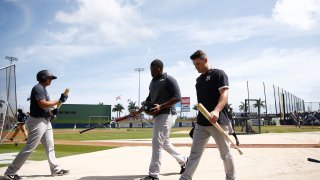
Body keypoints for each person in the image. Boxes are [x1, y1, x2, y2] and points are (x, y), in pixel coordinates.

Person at [180, 50, 235, 180]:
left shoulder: (219, 74)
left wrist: (216, 110)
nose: (196, 67)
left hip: (218, 121)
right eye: (194, 64)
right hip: (202, 123)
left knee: (225, 154)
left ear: (206, 60)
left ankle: (231, 178)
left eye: (198, 63)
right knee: (194, 153)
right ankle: (185, 178)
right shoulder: (198, 80)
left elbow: (224, 95)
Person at [4, 70, 69, 180]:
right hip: (37, 121)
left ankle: (55, 169)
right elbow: (42, 104)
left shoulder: (44, 90)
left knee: (50, 146)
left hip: (45, 121)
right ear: (43, 78)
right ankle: (10, 172)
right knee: (30, 147)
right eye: (50, 78)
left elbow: (45, 107)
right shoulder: (38, 88)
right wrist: (58, 101)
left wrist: (53, 112)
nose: (51, 80)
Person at [132, 59, 188, 180]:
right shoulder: (152, 82)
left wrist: (161, 106)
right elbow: (148, 101)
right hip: (158, 115)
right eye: (151, 71)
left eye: (154, 70)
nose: (152, 73)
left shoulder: (169, 79)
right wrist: (138, 112)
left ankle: (153, 175)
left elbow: (178, 97)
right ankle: (184, 161)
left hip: (167, 113)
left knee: (156, 142)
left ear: (161, 68)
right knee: (165, 143)